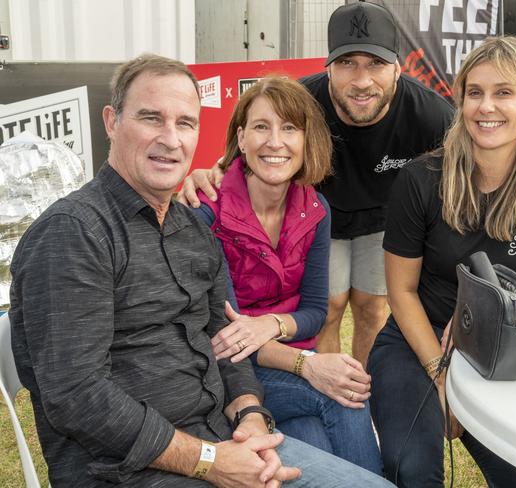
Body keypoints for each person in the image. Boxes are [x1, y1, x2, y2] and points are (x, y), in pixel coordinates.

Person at [9, 54, 394, 488]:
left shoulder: (187, 228)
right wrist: (210, 460)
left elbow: (221, 338)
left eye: (186, 123)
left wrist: (249, 412)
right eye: (151, 118)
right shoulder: (73, 233)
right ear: (112, 122)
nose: (171, 139)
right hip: (130, 471)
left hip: (220, 435)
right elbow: (77, 397)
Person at [367, 36, 516, 488]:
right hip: (420, 338)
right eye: (475, 92)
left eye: (503, 92)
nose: (485, 107)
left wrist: (498, 306)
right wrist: (441, 373)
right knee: (410, 469)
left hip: (504, 341)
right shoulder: (421, 177)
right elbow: (401, 291)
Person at [178, 0, 453, 367]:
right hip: (319, 214)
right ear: (328, 69)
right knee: (328, 306)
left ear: (398, 69)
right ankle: (329, 382)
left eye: (375, 63)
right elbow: (251, 149)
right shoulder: (303, 100)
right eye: (346, 63)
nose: (361, 80)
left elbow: (471, 159)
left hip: (383, 219)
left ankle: (364, 391)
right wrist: (209, 173)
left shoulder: (431, 114)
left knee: (372, 307)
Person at [193, 76, 382, 474]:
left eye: (290, 128)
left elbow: (315, 311)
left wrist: (271, 324)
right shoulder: (207, 213)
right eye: (262, 127)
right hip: (232, 375)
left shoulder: (315, 208)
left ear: (306, 141)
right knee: (343, 394)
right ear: (241, 139)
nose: (275, 142)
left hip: (286, 354)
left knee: (313, 438)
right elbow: (228, 337)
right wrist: (308, 366)